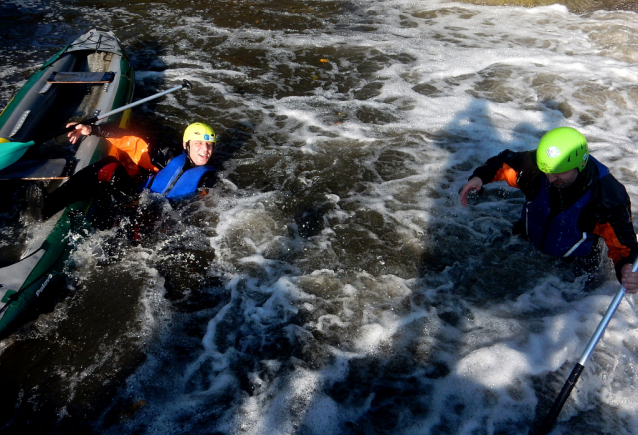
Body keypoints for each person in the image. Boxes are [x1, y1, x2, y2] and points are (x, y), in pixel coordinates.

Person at [459, 126, 638, 293]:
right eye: (548, 171)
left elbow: (623, 246)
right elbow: (504, 164)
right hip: (525, 239)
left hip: (575, 265)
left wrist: (626, 268)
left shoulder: (607, 196)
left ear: (580, 164)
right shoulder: (536, 168)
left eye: (560, 172)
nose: (551, 179)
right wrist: (480, 177)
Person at [35, 121, 217, 225]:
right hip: (131, 199)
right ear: (186, 145)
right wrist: (91, 129)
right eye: (198, 143)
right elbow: (130, 139)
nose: (204, 149)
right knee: (110, 164)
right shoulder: (166, 155)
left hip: (156, 218)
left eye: (209, 145)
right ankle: (48, 207)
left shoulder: (207, 178)